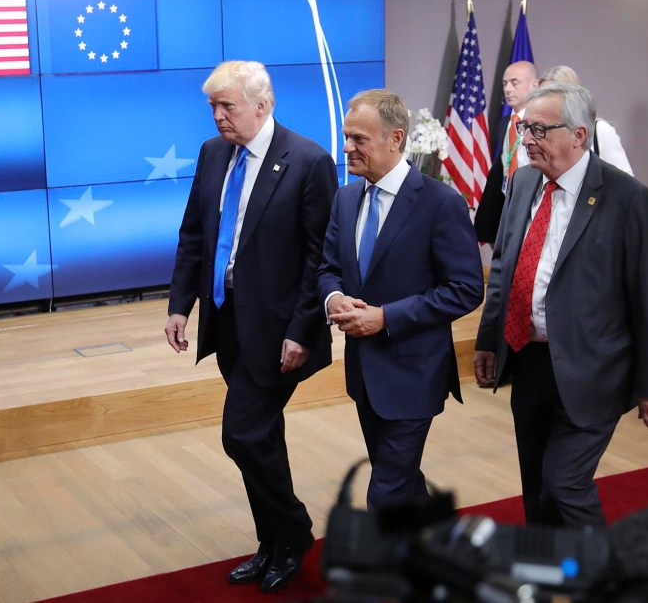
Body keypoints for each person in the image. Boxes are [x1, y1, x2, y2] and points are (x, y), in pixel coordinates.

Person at [164, 61, 337, 593]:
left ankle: (293, 531)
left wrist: (302, 330)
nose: (217, 117)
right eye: (212, 107)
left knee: (241, 433)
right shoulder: (214, 154)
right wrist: (180, 304)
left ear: (262, 106)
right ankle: (274, 543)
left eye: (227, 106)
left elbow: (319, 257)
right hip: (227, 319)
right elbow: (195, 233)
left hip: (281, 330)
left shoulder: (309, 161)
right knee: (261, 436)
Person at [473, 83, 648, 528]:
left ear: (579, 136)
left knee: (565, 482)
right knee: (536, 485)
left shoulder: (627, 198)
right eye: (525, 127)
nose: (526, 139)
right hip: (528, 360)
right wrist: (489, 341)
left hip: (592, 369)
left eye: (540, 130)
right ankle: (548, 572)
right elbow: (504, 268)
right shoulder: (524, 180)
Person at [317, 89, 483, 510]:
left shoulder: (441, 203)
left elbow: (466, 288)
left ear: (396, 138)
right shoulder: (346, 197)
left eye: (359, 139)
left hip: (415, 373)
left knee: (386, 489)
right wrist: (334, 298)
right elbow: (327, 269)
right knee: (400, 477)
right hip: (365, 374)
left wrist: (386, 317)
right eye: (346, 136)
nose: (347, 147)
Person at [475, 60, 540, 244]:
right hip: (504, 203)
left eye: (514, 82)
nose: (508, 89)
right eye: (505, 84)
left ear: (534, 84)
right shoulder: (505, 123)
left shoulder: (540, 123)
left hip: (531, 203)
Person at [539, 65, 634, 175]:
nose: (543, 103)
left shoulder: (600, 131)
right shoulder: (538, 135)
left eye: (551, 96)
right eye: (541, 96)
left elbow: (627, 181)